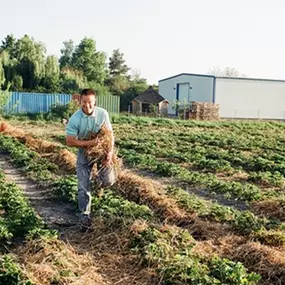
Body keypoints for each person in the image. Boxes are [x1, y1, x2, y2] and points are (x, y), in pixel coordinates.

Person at [65, 88, 114, 230]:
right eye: (84, 102)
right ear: (80, 101)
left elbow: (110, 135)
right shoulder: (75, 118)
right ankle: (84, 215)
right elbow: (70, 141)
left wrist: (109, 153)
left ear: (95, 101)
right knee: (83, 186)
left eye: (90, 102)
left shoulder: (102, 114)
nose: (87, 105)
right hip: (84, 152)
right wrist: (89, 143)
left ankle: (99, 182)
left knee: (108, 180)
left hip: (101, 151)